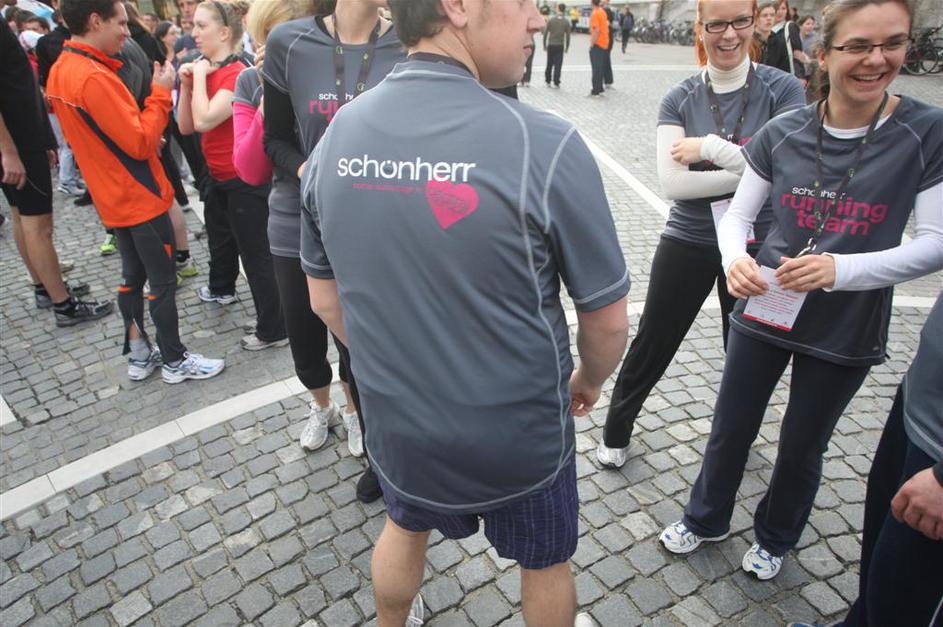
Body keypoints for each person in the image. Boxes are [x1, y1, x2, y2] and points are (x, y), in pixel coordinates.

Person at [302, 1, 630, 625]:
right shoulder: (543, 142)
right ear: (456, 7)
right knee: (546, 564)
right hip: (519, 434)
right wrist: (588, 381)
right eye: (523, 2)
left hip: (402, 426)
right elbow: (609, 322)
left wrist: (398, 365)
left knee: (403, 528)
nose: (537, 20)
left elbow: (324, 299)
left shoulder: (337, 135)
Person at [661, 0, 943, 581]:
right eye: (858, 46)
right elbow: (740, 216)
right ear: (822, 54)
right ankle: (706, 516)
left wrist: (840, 270)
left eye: (892, 44)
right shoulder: (783, 130)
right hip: (769, 302)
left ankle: (776, 535)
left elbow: (936, 242)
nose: (876, 59)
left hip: (847, 321)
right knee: (731, 425)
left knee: (802, 443)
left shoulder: (925, 130)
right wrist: (736, 260)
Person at [596, 0, 804, 469]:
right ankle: (616, 429)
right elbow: (674, 185)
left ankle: (736, 438)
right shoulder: (680, 97)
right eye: (717, 24)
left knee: (746, 350)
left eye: (740, 21)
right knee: (653, 341)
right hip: (688, 237)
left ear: (755, 21)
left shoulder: (784, 89)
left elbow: (790, 169)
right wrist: (757, 168)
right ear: (700, 26)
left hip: (756, 244)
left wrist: (709, 148)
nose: (729, 34)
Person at [263, 0, 403, 502]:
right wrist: (315, 175)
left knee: (368, 353)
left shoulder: (409, 41)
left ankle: (381, 455)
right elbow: (275, 140)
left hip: (378, 229)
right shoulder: (290, 42)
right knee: (307, 341)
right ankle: (327, 408)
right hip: (302, 219)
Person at [48, 0, 225, 383]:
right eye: (120, 23)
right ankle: (175, 359)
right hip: (137, 194)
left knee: (132, 277)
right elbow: (140, 142)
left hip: (113, 194)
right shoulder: (92, 76)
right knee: (161, 280)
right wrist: (160, 93)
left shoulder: (63, 67)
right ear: (95, 21)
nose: (127, 32)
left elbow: (108, 136)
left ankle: (141, 354)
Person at [177, 1, 286, 352]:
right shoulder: (209, 72)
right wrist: (188, 85)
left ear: (224, 32)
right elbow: (184, 126)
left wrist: (199, 79)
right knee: (239, 250)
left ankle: (274, 328)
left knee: (257, 257)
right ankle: (265, 315)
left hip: (245, 179)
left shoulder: (235, 72)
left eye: (202, 25)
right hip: (221, 178)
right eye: (193, 25)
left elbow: (203, 120)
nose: (194, 33)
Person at [1, 18, 108, 326]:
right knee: (38, 225)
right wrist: (9, 151)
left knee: (23, 217)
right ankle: (64, 305)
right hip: (18, 142)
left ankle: (46, 288)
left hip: (24, 137)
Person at [772, 0, 810, 84]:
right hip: (773, 75)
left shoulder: (790, 26)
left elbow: (797, 53)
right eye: (777, 9)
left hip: (789, 75)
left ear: (787, 10)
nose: (780, 12)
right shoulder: (768, 29)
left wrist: (800, 76)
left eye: (783, 8)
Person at [755, 1, 789, 71]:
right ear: (756, 18)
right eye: (764, 15)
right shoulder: (748, 40)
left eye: (772, 15)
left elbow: (783, 69)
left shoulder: (779, 42)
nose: (769, 18)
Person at [543, 3, 569, 87]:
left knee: (549, 63)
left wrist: (544, 45)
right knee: (558, 64)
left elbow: (545, 33)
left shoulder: (551, 20)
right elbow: (568, 36)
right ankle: (556, 81)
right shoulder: (566, 22)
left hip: (551, 45)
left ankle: (548, 80)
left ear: (558, 9)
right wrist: (567, 47)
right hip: (560, 45)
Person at [588, 0, 608, 96]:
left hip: (597, 43)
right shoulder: (602, 11)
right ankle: (600, 88)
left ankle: (595, 90)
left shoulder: (595, 13)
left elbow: (596, 30)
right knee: (600, 67)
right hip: (604, 42)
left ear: (592, 2)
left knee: (595, 68)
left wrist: (592, 43)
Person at [602, 0, 614, 86]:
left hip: (605, 43)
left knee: (605, 60)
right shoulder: (609, 24)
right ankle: (608, 80)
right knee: (606, 60)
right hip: (608, 43)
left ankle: (607, 80)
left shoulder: (606, 24)